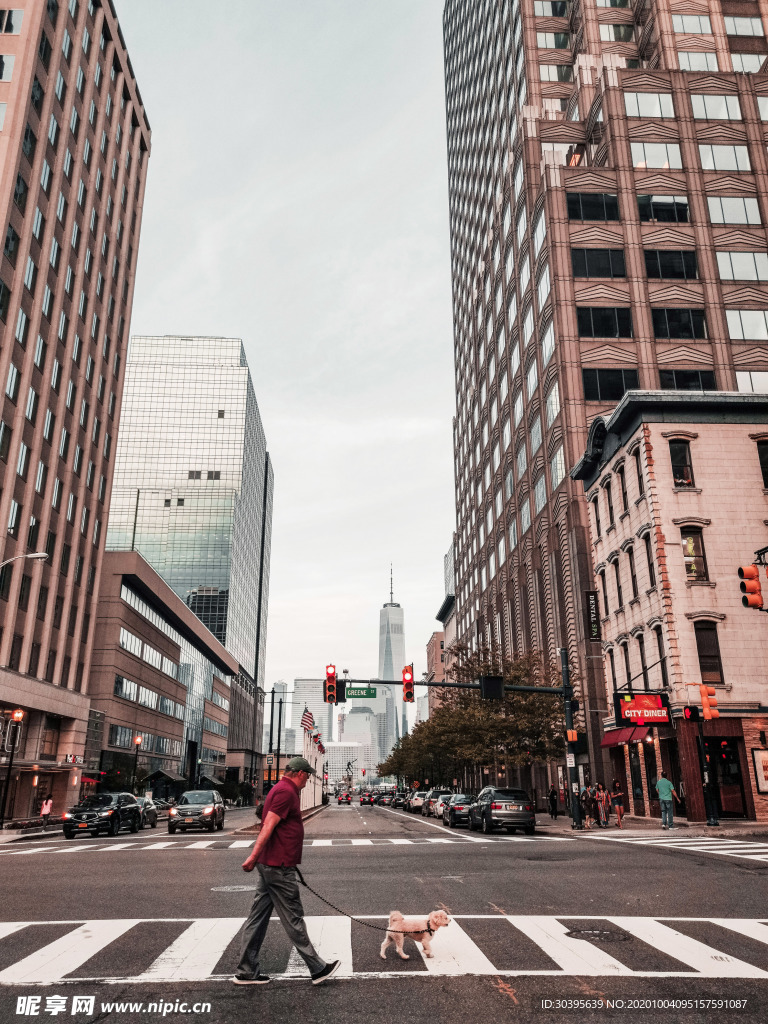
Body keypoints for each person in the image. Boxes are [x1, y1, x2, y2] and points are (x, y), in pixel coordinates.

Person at [235, 756, 341, 987]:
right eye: (308, 776)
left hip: (272, 864)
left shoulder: (280, 789)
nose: (308, 780)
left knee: (257, 918)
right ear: (300, 774)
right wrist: (253, 856)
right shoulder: (286, 792)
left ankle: (246, 971)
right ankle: (318, 968)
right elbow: (269, 825)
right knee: (293, 917)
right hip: (277, 866)